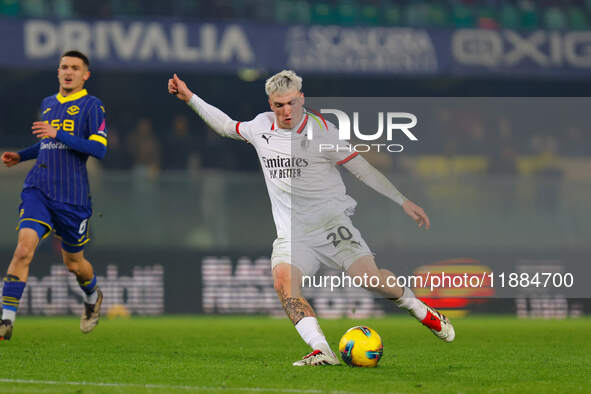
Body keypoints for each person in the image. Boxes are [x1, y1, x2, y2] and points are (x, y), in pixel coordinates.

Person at [168, 70, 455, 366]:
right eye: (279, 105)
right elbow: (227, 126)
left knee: (370, 279)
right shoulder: (260, 127)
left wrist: (402, 199)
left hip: (332, 225)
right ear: (270, 104)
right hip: (293, 234)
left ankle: (422, 311)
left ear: (301, 99)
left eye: (291, 103)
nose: (286, 111)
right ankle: (322, 349)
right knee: (284, 284)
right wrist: (189, 97)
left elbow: (361, 169)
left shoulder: (323, 132)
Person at [0, 50, 107, 340]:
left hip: (72, 198)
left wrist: (57, 134)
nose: (68, 71)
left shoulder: (92, 106)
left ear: (85, 75)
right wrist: (20, 156)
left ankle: (91, 296)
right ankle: (5, 320)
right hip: (39, 189)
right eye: (63, 67)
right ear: (58, 72)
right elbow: (47, 145)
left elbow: (98, 149)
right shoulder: (48, 104)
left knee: (74, 264)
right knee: (23, 249)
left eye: (74, 67)